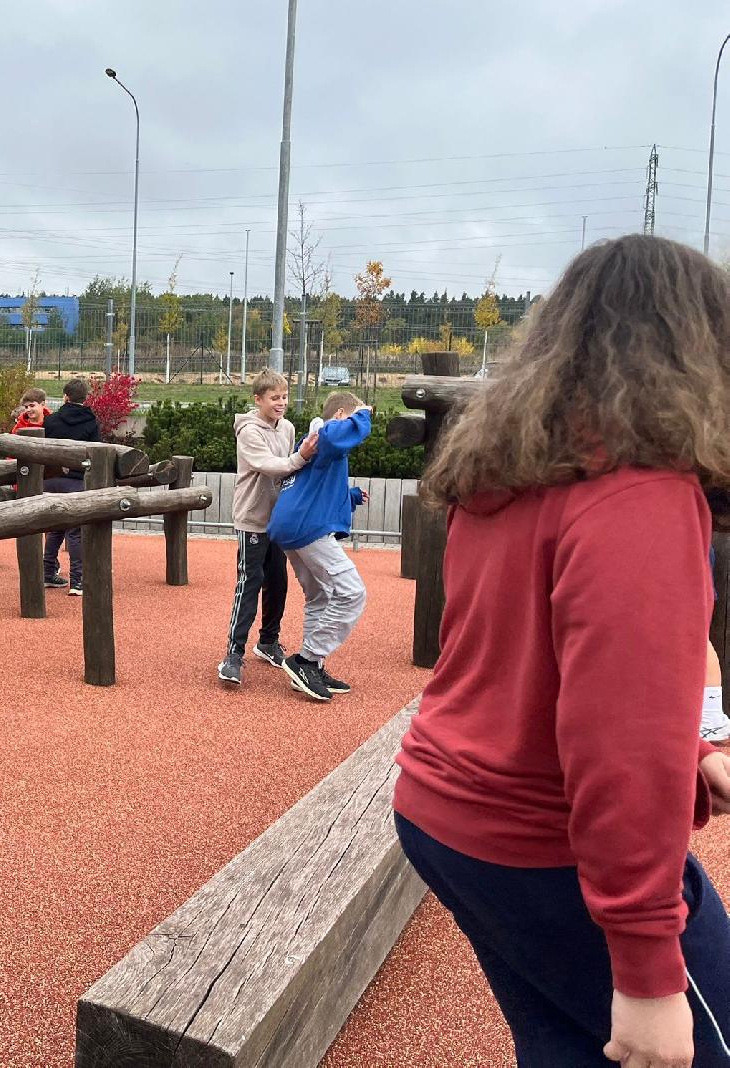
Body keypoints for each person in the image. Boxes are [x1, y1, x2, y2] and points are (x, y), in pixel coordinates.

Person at [394, 235, 730, 1068]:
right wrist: (646, 973)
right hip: (542, 837)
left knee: (561, 1042)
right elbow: (619, 739)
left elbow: (532, 657)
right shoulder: (640, 494)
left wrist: (694, 747)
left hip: (443, 806)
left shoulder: (510, 469)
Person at [267, 392, 372, 702]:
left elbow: (313, 483)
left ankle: (312, 667)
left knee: (319, 597)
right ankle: (306, 660)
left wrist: (350, 496)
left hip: (291, 524)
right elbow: (335, 435)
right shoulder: (322, 433)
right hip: (307, 527)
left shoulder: (313, 443)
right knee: (352, 593)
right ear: (339, 415)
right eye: (350, 417)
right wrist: (363, 414)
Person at [218, 369, 318, 686]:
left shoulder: (286, 427)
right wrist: (301, 457)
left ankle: (268, 641)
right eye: (274, 398)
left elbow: (288, 469)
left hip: (278, 519)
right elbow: (269, 465)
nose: (281, 403)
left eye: (284, 397)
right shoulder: (249, 431)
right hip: (252, 519)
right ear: (258, 399)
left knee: (277, 581)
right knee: (250, 583)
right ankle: (233, 655)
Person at [38, 377, 102, 596]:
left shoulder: (51, 421)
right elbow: (97, 452)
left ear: (65, 396)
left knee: (55, 527)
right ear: (84, 399)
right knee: (75, 532)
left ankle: (48, 572)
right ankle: (78, 580)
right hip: (77, 481)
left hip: (51, 480)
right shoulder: (91, 422)